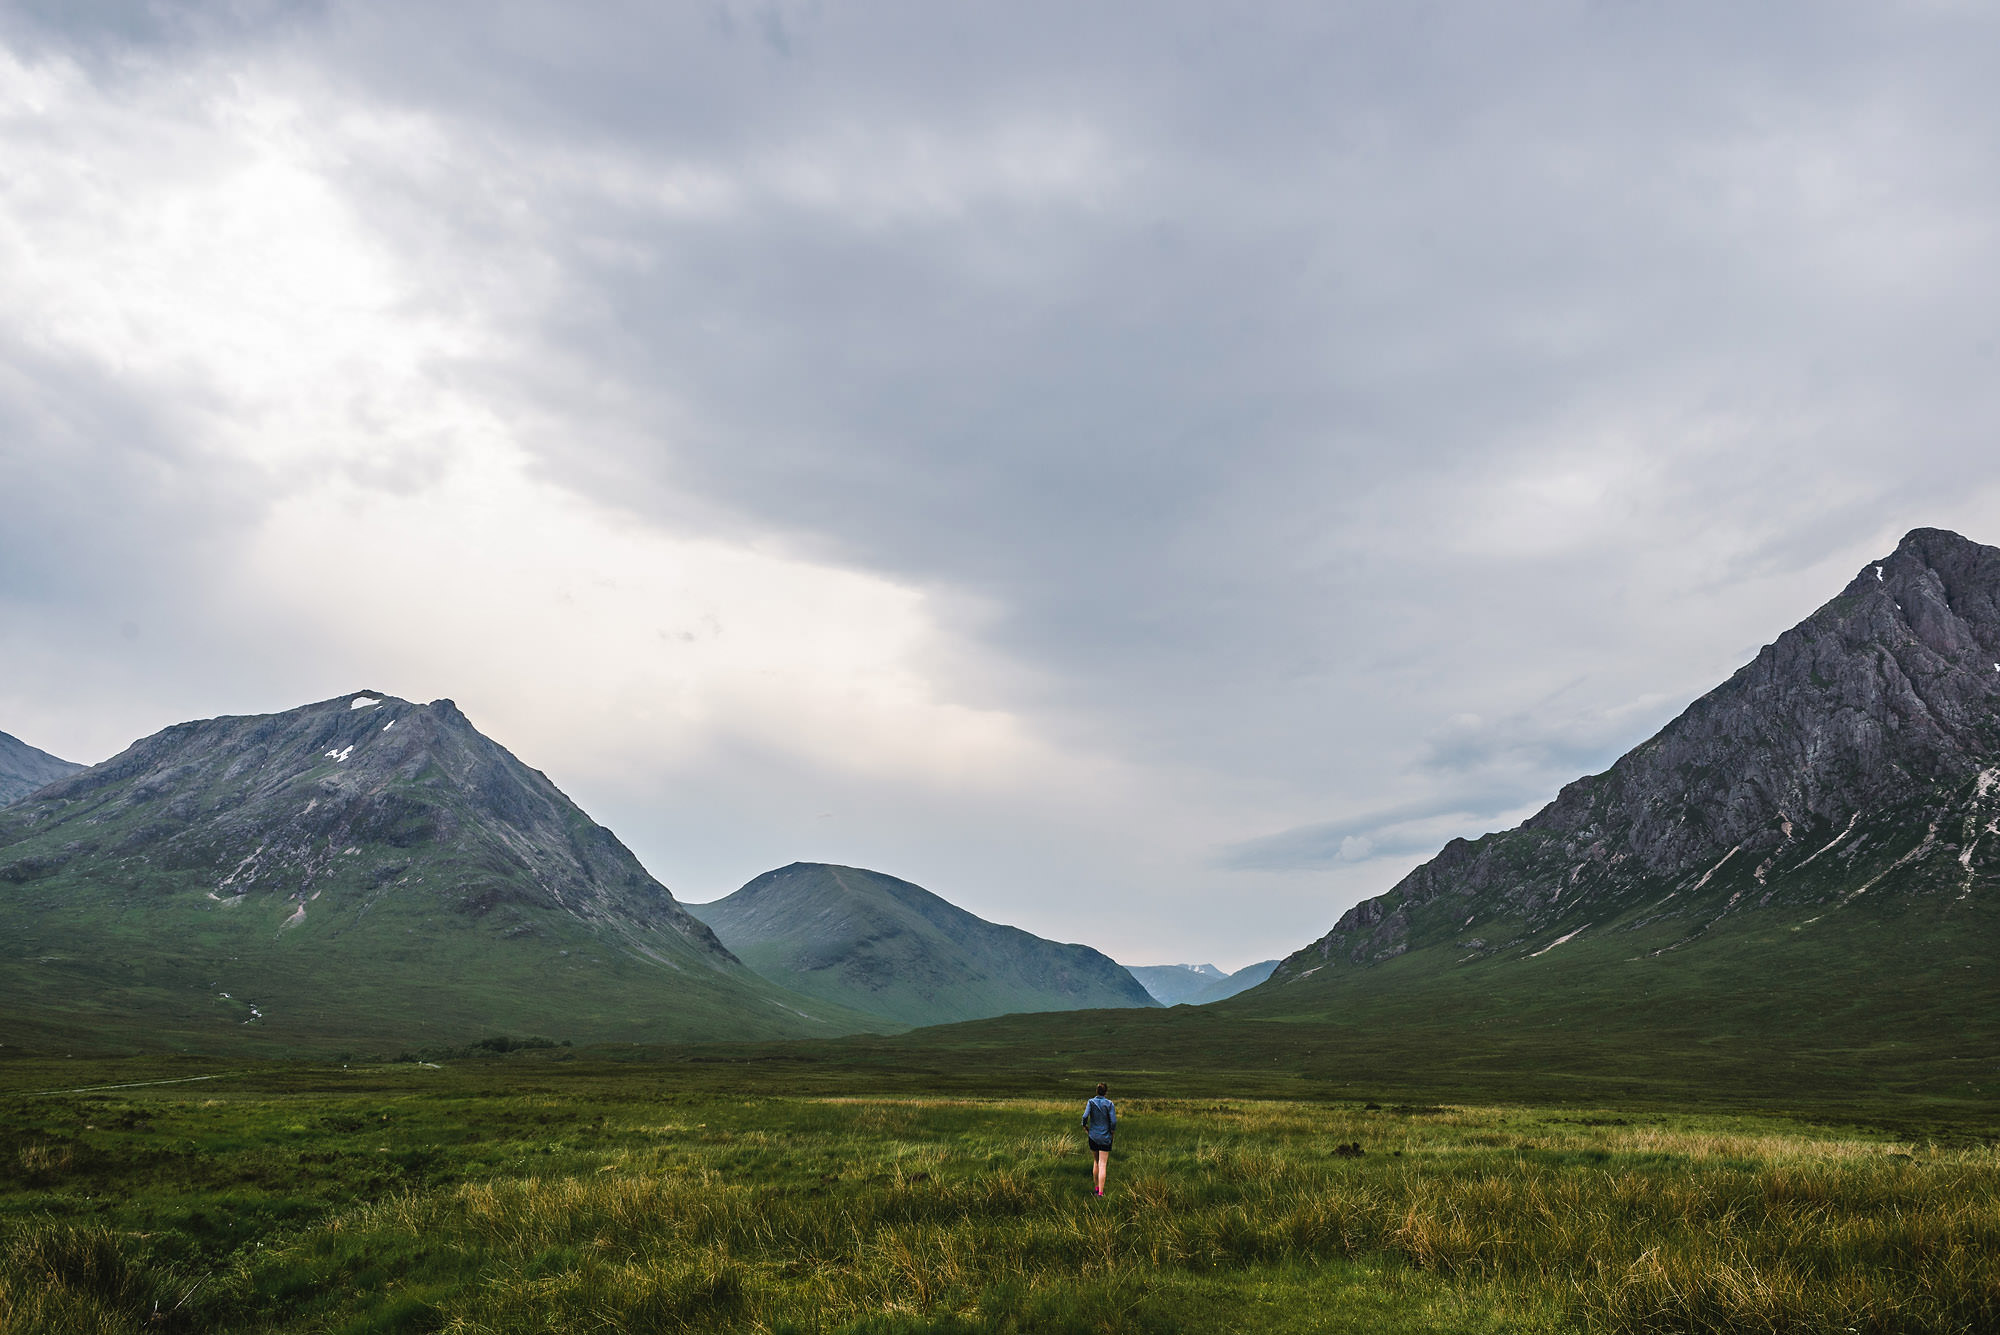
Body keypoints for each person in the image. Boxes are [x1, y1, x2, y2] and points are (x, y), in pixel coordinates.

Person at [1081, 1082, 1116, 1196]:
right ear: (1106, 1092)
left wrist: (1085, 1126)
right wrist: (1112, 1131)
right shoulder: (1109, 1104)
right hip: (1105, 1137)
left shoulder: (1091, 1102)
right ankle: (1101, 1193)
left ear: (1097, 1091)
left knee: (1096, 1162)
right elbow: (1113, 1121)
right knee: (1103, 1164)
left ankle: (1096, 1189)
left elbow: (1085, 1116)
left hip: (1093, 1136)